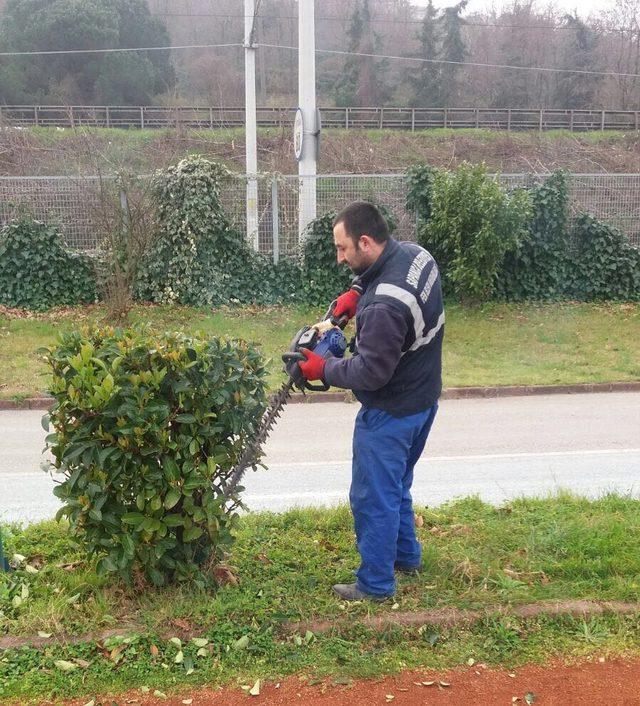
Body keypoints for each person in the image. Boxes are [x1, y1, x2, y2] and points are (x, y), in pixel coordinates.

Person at [296, 201, 444, 602]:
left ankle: (375, 584)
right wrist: (355, 294)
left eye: (344, 249)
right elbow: (387, 277)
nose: (339, 257)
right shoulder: (417, 256)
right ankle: (405, 557)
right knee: (397, 484)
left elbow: (369, 372)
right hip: (424, 399)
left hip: (390, 413)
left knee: (372, 496)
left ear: (365, 241)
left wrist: (321, 368)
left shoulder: (383, 308)